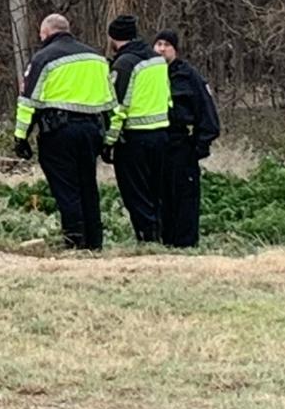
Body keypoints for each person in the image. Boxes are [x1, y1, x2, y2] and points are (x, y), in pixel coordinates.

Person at [13, 13, 115, 250]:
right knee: (88, 185)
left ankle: (74, 240)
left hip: (58, 131)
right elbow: (111, 103)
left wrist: (21, 138)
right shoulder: (96, 58)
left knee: (66, 187)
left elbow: (28, 102)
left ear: (46, 33)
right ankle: (94, 241)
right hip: (91, 130)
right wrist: (110, 139)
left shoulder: (43, 59)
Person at [103, 15, 170, 243]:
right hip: (161, 134)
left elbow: (117, 107)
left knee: (136, 193)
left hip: (134, 138)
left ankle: (146, 239)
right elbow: (167, 97)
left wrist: (109, 141)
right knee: (156, 191)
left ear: (113, 37)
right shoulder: (157, 60)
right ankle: (160, 235)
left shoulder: (124, 64)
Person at [154, 29, 220, 248]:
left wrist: (200, 145)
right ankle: (165, 240)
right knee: (161, 196)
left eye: (166, 45)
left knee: (184, 197)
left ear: (175, 49)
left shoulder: (188, 75)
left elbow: (206, 111)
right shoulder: (149, 74)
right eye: (158, 44)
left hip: (182, 143)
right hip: (157, 142)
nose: (162, 49)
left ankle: (186, 244)